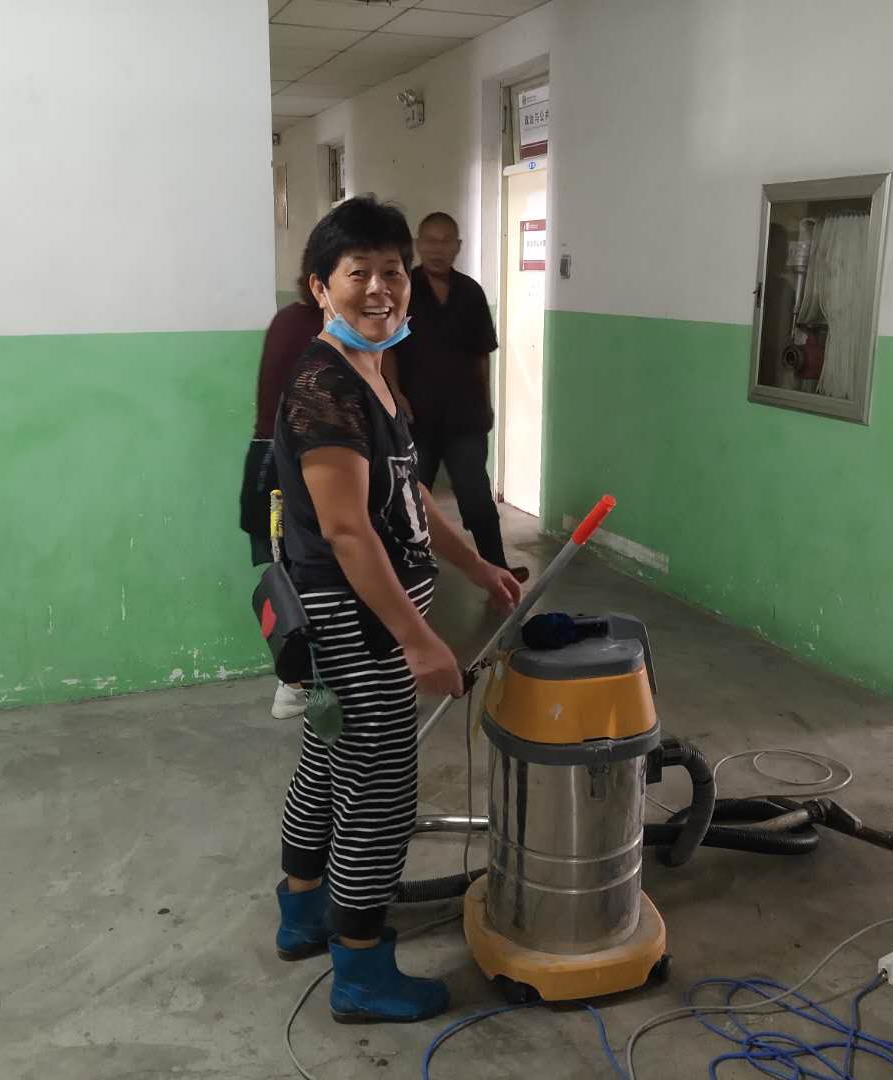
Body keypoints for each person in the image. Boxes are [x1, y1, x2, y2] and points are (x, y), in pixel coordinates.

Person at [271, 196, 521, 1023]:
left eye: (392, 271)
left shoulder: (373, 373)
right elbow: (347, 530)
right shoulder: (324, 388)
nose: (380, 288)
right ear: (320, 286)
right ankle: (362, 971)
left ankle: (302, 911)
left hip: (364, 618)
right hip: (356, 621)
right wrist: (417, 640)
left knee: (328, 762)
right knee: (378, 791)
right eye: (359, 273)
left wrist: (476, 564)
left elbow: (406, 496)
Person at [387, 211, 529, 582]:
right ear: (418, 244)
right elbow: (387, 348)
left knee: (476, 497)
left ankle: (499, 571)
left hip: (465, 416)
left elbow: (482, 354)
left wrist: (486, 403)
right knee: (410, 500)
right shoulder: (401, 289)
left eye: (446, 241)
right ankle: (403, 576)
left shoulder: (471, 293)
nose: (438, 249)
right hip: (415, 415)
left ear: (458, 246)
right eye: (430, 241)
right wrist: (394, 392)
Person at [240, 263, 324, 720]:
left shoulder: (290, 320)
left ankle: (295, 682)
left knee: (288, 570)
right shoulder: (313, 329)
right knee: (296, 573)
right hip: (283, 470)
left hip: (270, 464)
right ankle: (294, 683)